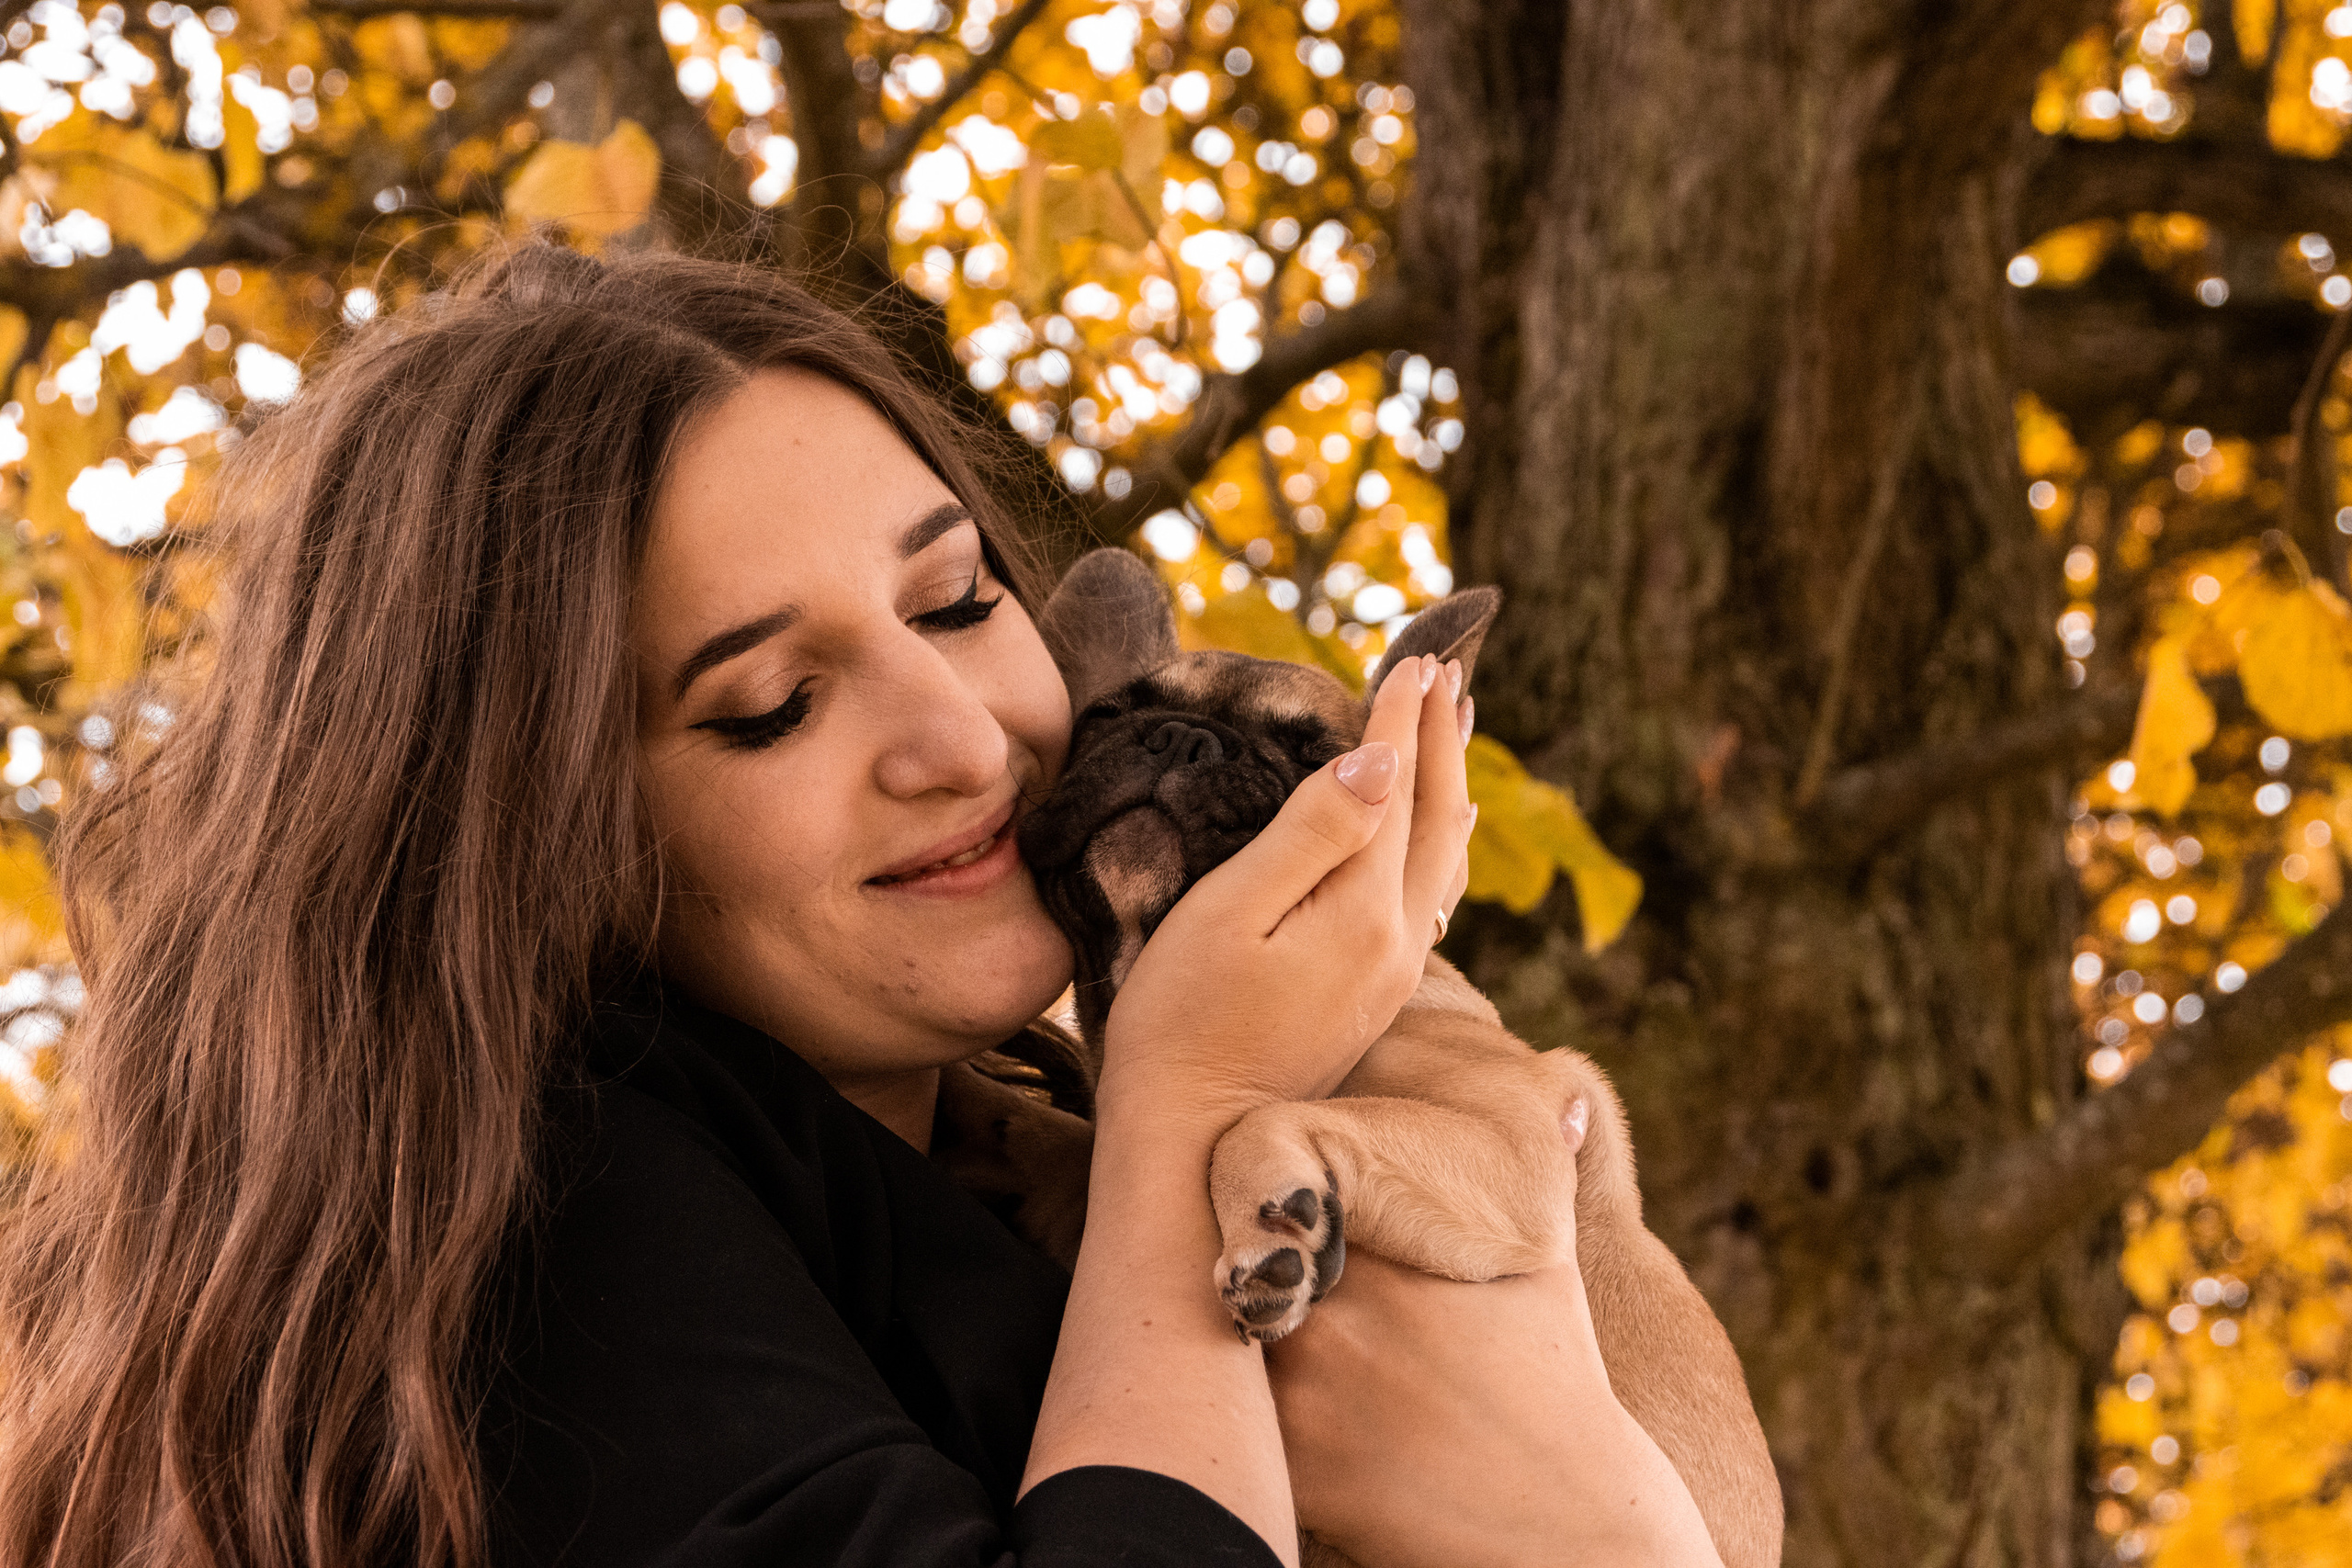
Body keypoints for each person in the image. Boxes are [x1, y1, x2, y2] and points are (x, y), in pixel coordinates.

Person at [0, 246, 1722, 1568]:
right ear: (534, 832)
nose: (963, 739)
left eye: (960, 600)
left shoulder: (987, 1138)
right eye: (769, 706)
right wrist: (1190, 1115)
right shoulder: (527, 1210)